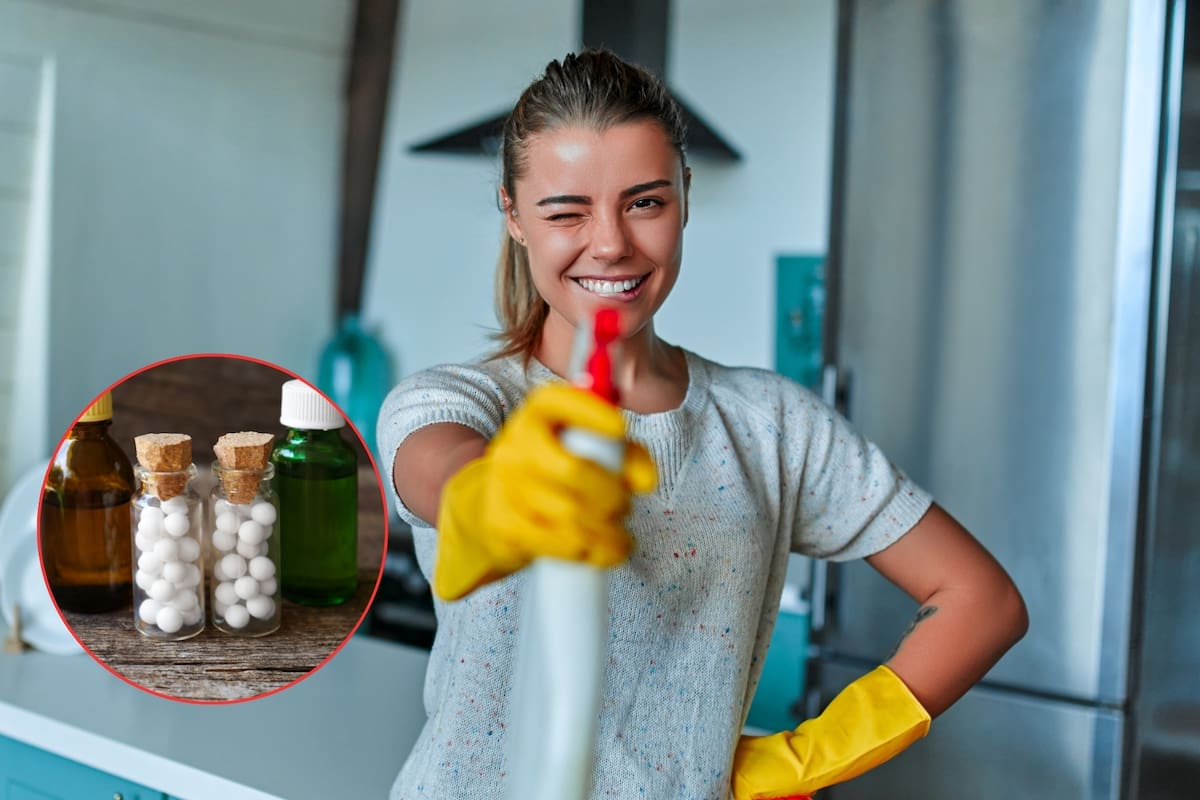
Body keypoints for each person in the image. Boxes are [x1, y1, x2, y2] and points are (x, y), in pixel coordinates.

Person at [377, 48, 1028, 800]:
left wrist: (809, 757)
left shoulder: (772, 428)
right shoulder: (456, 403)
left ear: (684, 198)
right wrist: (492, 499)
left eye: (645, 202)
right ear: (514, 216)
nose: (613, 241)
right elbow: (438, 469)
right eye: (567, 211)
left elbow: (983, 600)